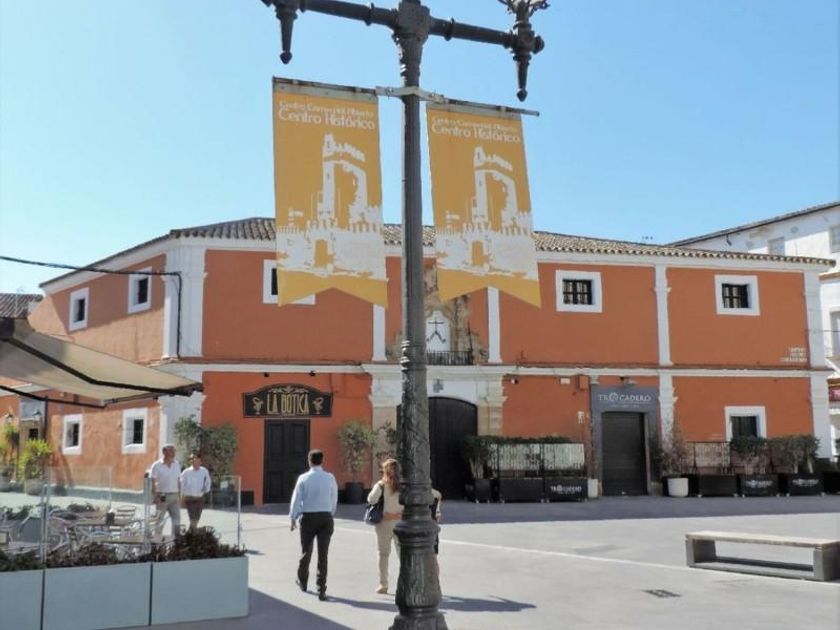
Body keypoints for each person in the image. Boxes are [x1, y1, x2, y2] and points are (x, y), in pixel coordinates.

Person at [289, 449, 338, 602]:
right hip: (325, 516)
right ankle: (321, 589)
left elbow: (296, 499)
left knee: (306, 551)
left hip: (308, 517)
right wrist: (330, 512)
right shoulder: (330, 478)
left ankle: (303, 581)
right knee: (323, 555)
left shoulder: (303, 478)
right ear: (322, 461)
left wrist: (293, 517)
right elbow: (334, 498)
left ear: (309, 461)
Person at [367, 458, 403, 594]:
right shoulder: (404, 486)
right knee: (403, 554)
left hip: (384, 522)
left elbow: (371, 499)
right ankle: (405, 582)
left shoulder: (381, 485)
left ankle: (383, 584)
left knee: (383, 554)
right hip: (401, 523)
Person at [149, 444, 182, 539]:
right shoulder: (157, 465)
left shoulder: (176, 464)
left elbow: (178, 480)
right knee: (159, 520)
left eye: (174, 451)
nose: (173, 453)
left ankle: (175, 540)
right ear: (164, 452)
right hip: (162, 496)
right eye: (171, 451)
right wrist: (155, 496)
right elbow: (153, 482)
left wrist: (179, 495)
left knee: (176, 520)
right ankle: (157, 540)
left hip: (174, 496)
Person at [180, 452, 211, 532]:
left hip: (200, 498)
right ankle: (193, 532)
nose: (194, 461)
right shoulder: (186, 472)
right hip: (189, 498)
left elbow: (208, 482)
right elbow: (182, 485)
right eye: (193, 460)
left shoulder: (204, 471)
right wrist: (181, 498)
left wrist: (206, 489)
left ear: (200, 461)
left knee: (197, 517)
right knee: (192, 517)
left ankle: (190, 532)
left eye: (196, 460)